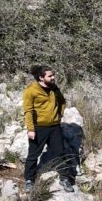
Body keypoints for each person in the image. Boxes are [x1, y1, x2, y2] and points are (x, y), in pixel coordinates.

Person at [23, 65, 73, 193]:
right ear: (41, 77)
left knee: (60, 153)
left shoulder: (54, 88)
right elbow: (28, 111)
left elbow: (62, 101)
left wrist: (59, 115)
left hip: (55, 127)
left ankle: (64, 179)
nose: (53, 77)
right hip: (39, 128)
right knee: (33, 155)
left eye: (53, 75)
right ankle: (29, 180)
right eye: (50, 76)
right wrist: (31, 129)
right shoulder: (31, 91)